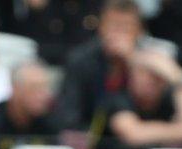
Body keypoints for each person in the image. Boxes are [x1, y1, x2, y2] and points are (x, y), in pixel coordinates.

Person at [95, 49, 182, 149]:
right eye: (143, 73)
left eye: (157, 75)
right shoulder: (118, 98)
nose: (149, 80)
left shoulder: (169, 98)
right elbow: (133, 134)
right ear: (131, 75)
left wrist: (178, 81)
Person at [55, 0, 143, 130]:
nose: (118, 34)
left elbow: (153, 111)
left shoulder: (150, 61)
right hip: (89, 137)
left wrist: (132, 61)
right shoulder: (80, 60)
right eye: (114, 25)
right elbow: (68, 114)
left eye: (126, 27)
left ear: (138, 31)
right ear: (101, 27)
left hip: (138, 138)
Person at [0, 60, 59, 149]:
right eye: (35, 88)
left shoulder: (51, 124)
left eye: (45, 88)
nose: (43, 96)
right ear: (15, 89)